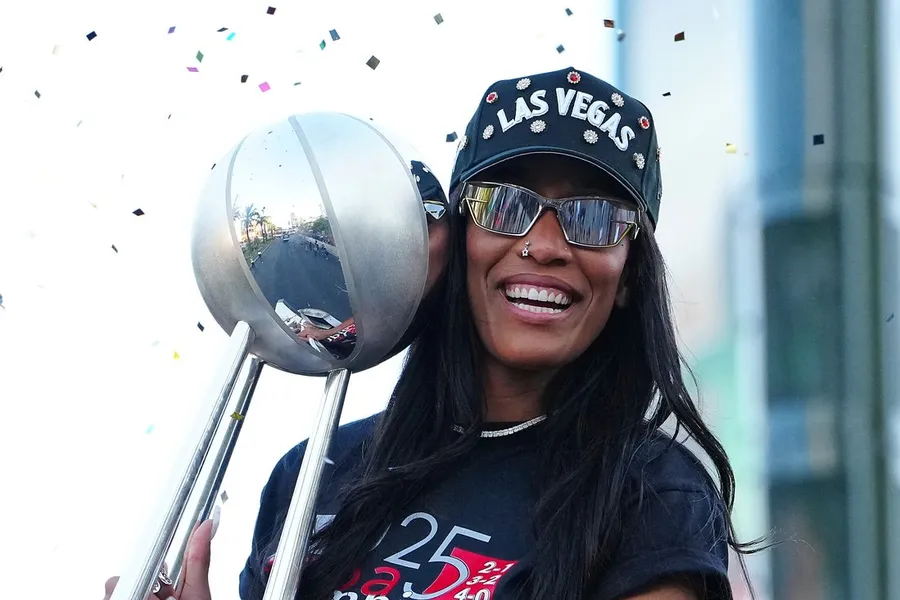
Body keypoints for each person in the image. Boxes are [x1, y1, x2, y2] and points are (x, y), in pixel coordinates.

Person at [105, 67, 756, 600]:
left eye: (594, 218)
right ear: (455, 239)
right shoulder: (315, 474)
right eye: (505, 204)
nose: (544, 245)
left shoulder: (652, 496)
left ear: (630, 274)